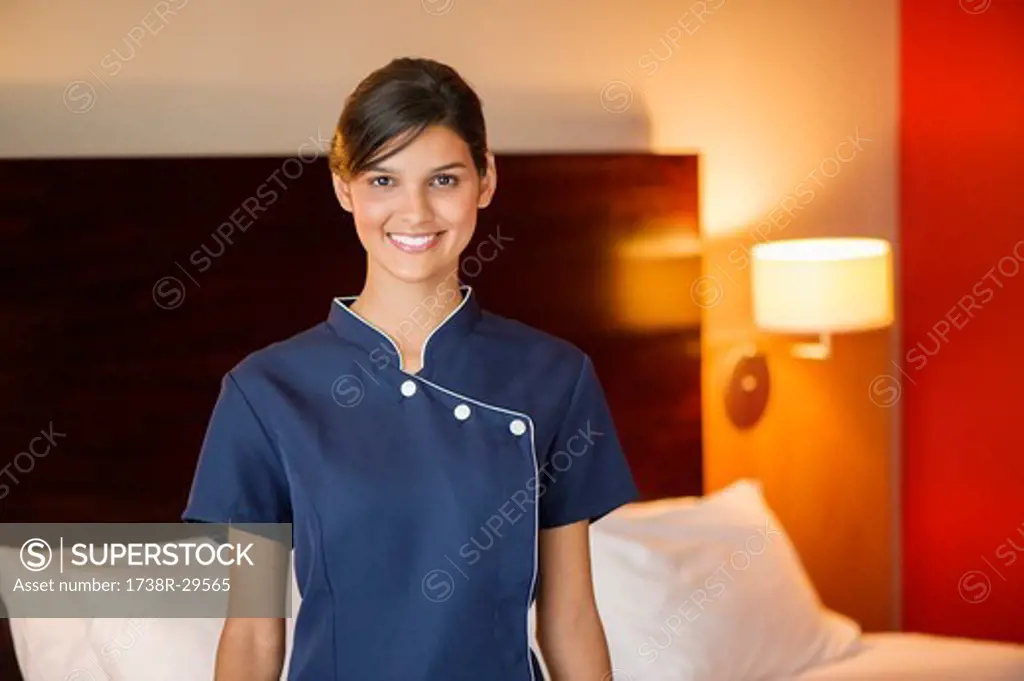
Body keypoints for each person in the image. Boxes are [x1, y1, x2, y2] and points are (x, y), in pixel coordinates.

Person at [182, 56, 639, 681]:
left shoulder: (555, 378)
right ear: (344, 187)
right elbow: (254, 637)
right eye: (383, 180)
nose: (416, 212)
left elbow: (570, 619)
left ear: (486, 180)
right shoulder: (265, 394)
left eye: (444, 180)